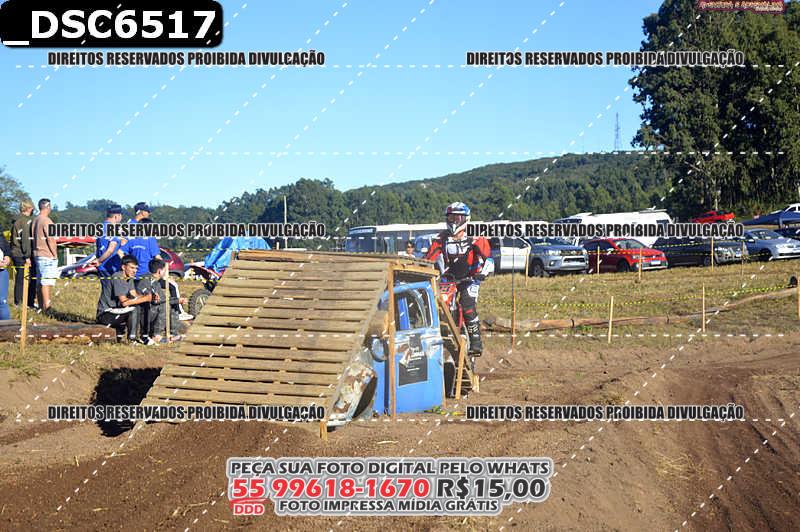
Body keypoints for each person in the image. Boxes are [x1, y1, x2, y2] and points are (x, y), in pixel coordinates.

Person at [424, 202, 494, 355]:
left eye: (458, 217)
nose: (454, 221)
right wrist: (422, 269)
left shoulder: (475, 236)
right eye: (451, 217)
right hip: (448, 278)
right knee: (438, 303)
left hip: (471, 277)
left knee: (467, 303)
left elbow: (489, 259)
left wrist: (483, 273)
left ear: (466, 218)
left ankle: (476, 341)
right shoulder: (442, 238)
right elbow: (428, 259)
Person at [96, 255, 152, 342]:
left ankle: (144, 335)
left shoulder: (129, 278)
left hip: (117, 311)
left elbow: (135, 296)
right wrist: (145, 298)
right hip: (105, 314)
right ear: (123, 267)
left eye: (136, 268)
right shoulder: (118, 277)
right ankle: (132, 339)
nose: (134, 271)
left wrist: (150, 297)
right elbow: (124, 302)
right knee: (133, 309)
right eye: (132, 268)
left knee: (141, 305)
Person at [137, 258, 186, 343]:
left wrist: (177, 300)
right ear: (159, 271)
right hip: (144, 312)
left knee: (171, 304)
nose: (166, 273)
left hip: (151, 309)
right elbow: (157, 301)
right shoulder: (146, 280)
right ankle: (156, 335)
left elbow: (162, 298)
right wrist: (177, 300)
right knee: (164, 306)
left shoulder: (156, 282)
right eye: (165, 270)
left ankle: (173, 333)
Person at [31, 198, 58, 312]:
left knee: (39, 282)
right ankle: (47, 308)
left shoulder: (35, 220)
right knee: (46, 283)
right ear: (48, 207)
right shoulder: (47, 221)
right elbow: (50, 239)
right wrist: (54, 254)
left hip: (37, 254)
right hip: (47, 254)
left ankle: (41, 306)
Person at [10, 199, 37, 307]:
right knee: (24, 279)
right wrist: (27, 256)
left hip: (17, 253)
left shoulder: (17, 220)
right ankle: (22, 302)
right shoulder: (24, 221)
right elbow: (25, 239)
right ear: (29, 208)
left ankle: (22, 302)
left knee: (21, 278)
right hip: (21, 254)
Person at [0, 232, 12, 320]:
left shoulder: (1, 236)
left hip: (2, 271)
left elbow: (7, 249)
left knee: (2, 301)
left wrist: (7, 257)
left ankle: (6, 326)